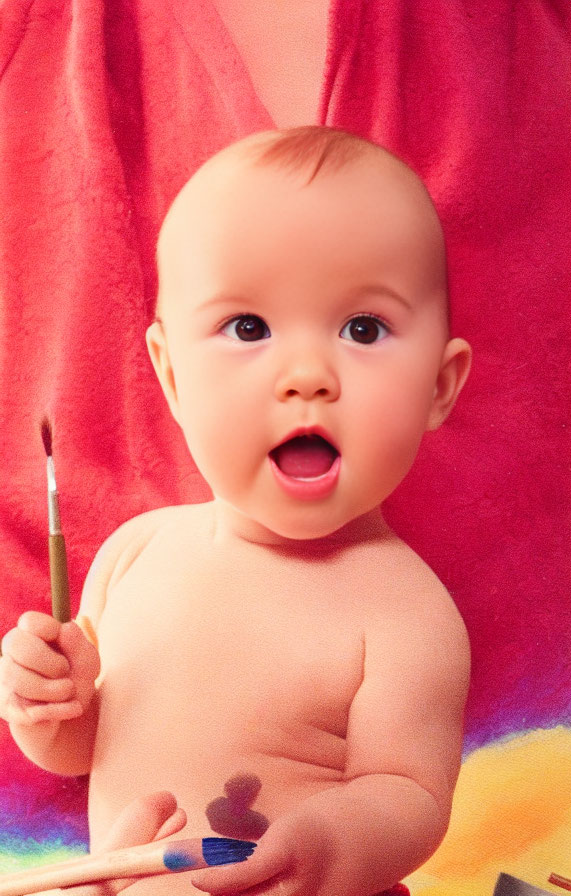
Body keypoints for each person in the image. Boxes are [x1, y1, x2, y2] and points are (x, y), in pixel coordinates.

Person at [0, 126, 472, 896]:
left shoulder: (406, 614)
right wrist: (49, 706)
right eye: (248, 328)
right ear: (173, 376)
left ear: (440, 386)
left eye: (364, 329)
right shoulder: (135, 552)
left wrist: (329, 845)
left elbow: (411, 798)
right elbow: (84, 750)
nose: (307, 377)